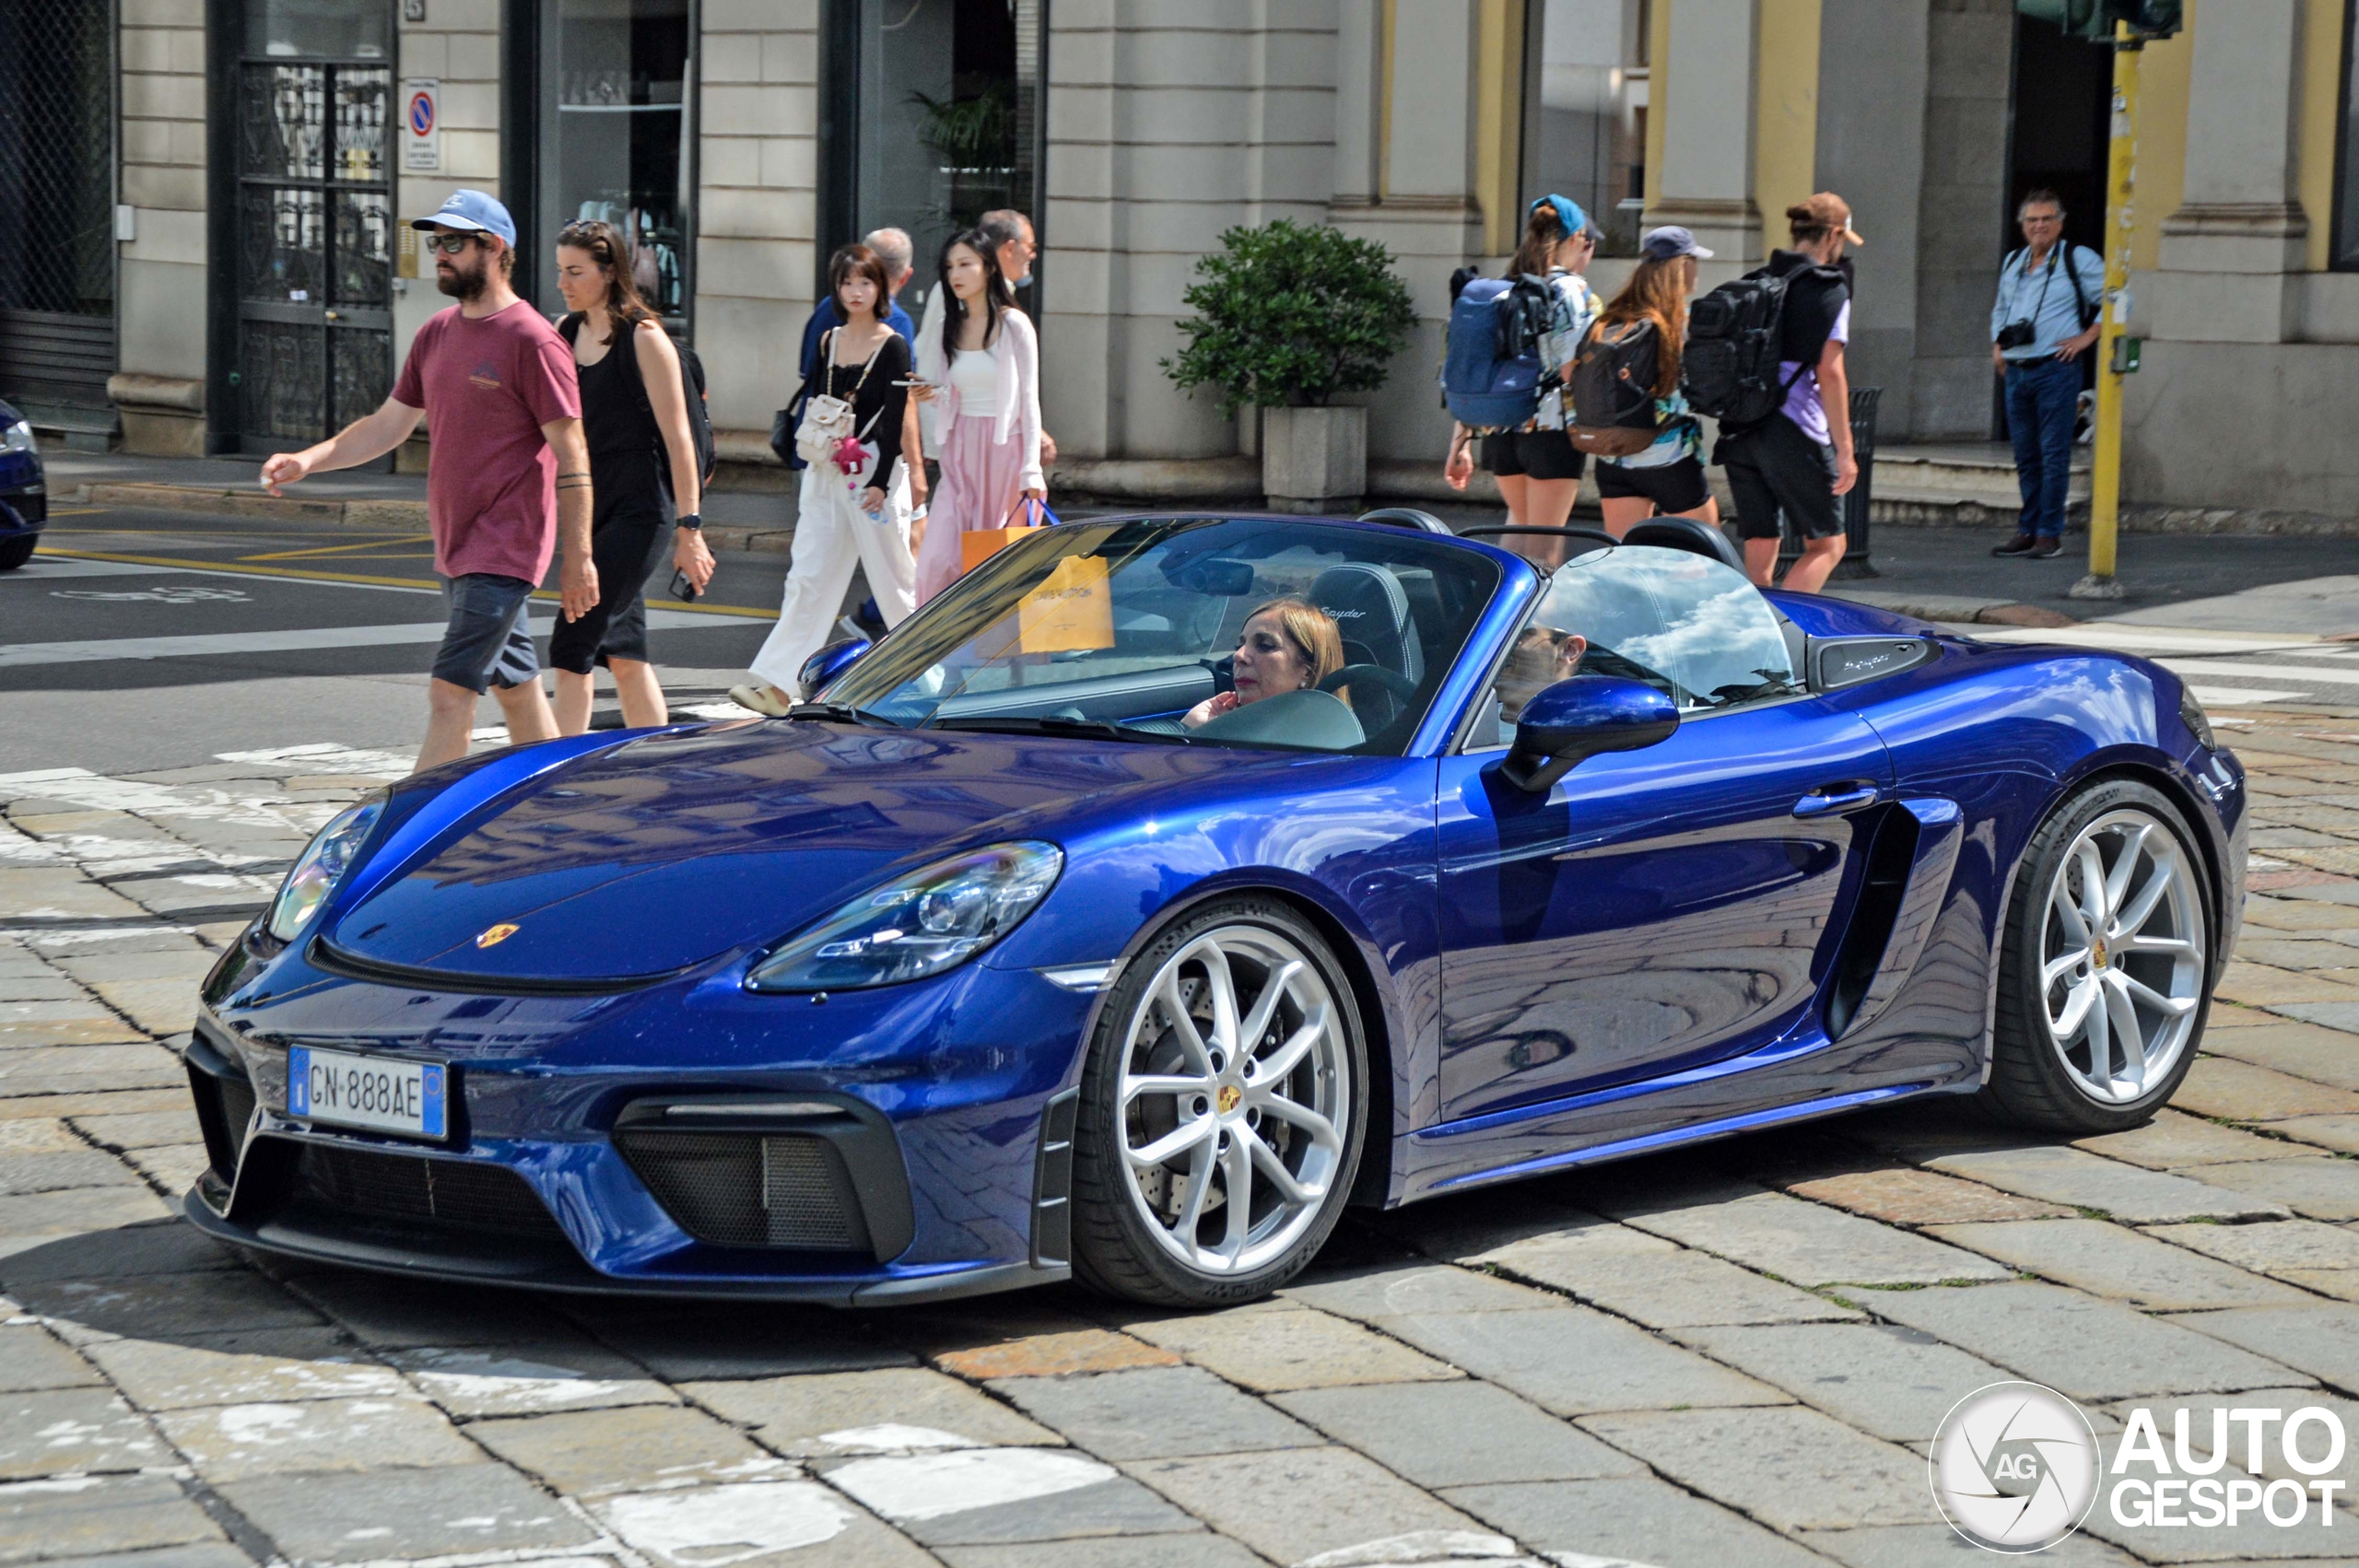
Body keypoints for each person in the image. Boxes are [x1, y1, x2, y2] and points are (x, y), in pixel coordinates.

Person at [258, 190, 593, 773]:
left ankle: (413, 843)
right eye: (435, 242)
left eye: (454, 243)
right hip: (457, 546)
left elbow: (572, 451)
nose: (440, 254)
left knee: (449, 694)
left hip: (504, 548)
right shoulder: (437, 332)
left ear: (495, 249)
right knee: (517, 692)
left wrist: (579, 557)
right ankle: (553, 807)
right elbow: (388, 426)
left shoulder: (533, 340)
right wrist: (309, 459)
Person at [732, 245, 919, 715]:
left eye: (865, 282)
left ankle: (929, 676)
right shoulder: (829, 340)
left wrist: (882, 481)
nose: (856, 292)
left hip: (873, 471)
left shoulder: (893, 344)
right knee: (808, 577)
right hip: (827, 469)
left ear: (881, 288)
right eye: (847, 283)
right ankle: (775, 684)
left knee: (893, 582)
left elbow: (896, 419)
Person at [547, 219, 715, 735]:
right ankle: (654, 756)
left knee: (572, 640)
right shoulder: (565, 331)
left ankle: (554, 776)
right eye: (560, 271)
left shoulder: (644, 338)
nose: (564, 283)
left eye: (576, 272)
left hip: (641, 510)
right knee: (623, 651)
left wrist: (690, 529)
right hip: (590, 509)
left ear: (609, 271)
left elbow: (680, 439)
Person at [1443, 195, 1599, 567]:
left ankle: (1498, 619)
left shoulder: (1505, 287)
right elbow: (1569, 369)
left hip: (1501, 431)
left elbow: (1477, 366)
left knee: (1516, 541)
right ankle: (1538, 627)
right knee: (1545, 553)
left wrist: (1460, 444)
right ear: (1576, 238)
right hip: (1550, 432)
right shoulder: (1571, 290)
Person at [1719, 193, 1860, 595]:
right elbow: (1830, 373)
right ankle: (1784, 635)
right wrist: (1845, 450)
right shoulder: (1827, 289)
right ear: (1834, 235)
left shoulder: (1758, 280)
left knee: (1761, 544)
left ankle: (1751, 644)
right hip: (1794, 427)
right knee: (1828, 545)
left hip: (1740, 428)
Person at [909, 229, 1046, 603]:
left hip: (1005, 452)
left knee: (994, 566)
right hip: (960, 450)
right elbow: (952, 395)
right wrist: (930, 395)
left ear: (988, 268)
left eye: (966, 264)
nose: (956, 274)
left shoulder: (1015, 324)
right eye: (950, 266)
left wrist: (1030, 468)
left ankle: (999, 658)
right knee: (937, 561)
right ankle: (934, 650)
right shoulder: (947, 327)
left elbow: (1030, 401)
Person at [1989, 190, 2105, 560]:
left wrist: (2087, 337)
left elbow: (2119, 297)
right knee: (2026, 455)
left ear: (2060, 222)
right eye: (2032, 220)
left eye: (2046, 219)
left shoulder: (2077, 258)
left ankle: (2048, 534)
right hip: (2018, 369)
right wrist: (1997, 345)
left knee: (2054, 454)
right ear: (2022, 226)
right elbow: (2002, 308)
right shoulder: (2014, 261)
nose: (2039, 226)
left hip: (2056, 368)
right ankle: (2028, 528)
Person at [1588, 228, 1719, 538]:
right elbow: (1689, 395)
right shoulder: (1678, 324)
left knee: (1628, 561)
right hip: (1666, 459)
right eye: (1694, 261)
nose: (1697, 270)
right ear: (1682, 265)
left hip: (1613, 457)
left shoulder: (1611, 319)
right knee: (1707, 558)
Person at [917, 209, 1056, 466]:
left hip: (987, 445)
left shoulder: (1011, 317)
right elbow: (935, 369)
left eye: (964, 264)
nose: (1033, 254)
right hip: (949, 442)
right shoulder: (955, 297)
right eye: (1030, 246)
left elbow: (1019, 392)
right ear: (1010, 247)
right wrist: (928, 447)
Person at [1181, 599, 1346, 729]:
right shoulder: (1239, 729)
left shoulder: (1317, 746)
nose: (1238, 655)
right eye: (1239, 646)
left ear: (1308, 671)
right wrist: (1196, 729)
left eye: (1265, 645)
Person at [1496, 624, 1590, 721]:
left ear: (1570, 649)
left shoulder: (1586, 728)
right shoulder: (1482, 717)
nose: (1498, 643)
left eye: (1520, 631)